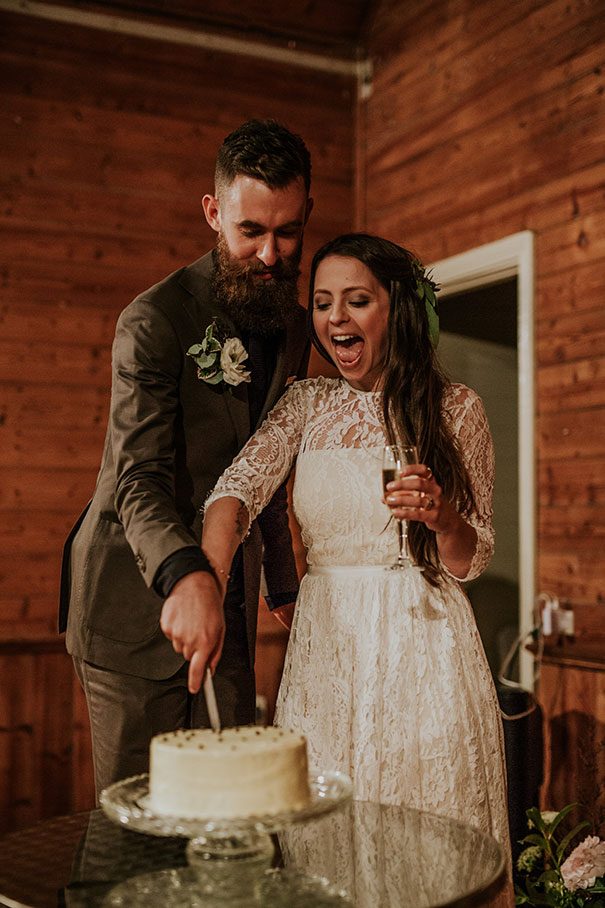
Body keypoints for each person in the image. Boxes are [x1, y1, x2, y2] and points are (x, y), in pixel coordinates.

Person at [201, 233, 513, 890]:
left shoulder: (456, 408)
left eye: (355, 301)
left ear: (395, 307)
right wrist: (206, 581)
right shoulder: (306, 404)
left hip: (425, 649)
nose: (335, 318)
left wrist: (441, 517)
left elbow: (473, 557)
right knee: (325, 840)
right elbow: (236, 491)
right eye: (322, 303)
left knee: (426, 839)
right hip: (329, 651)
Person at [59, 119, 313, 797]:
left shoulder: (295, 324)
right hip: (130, 604)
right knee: (139, 823)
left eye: (287, 232)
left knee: (223, 810)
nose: (269, 254)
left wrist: (282, 583)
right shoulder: (155, 320)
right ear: (212, 212)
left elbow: (267, 465)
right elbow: (135, 480)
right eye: (250, 231)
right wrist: (185, 575)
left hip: (230, 607)